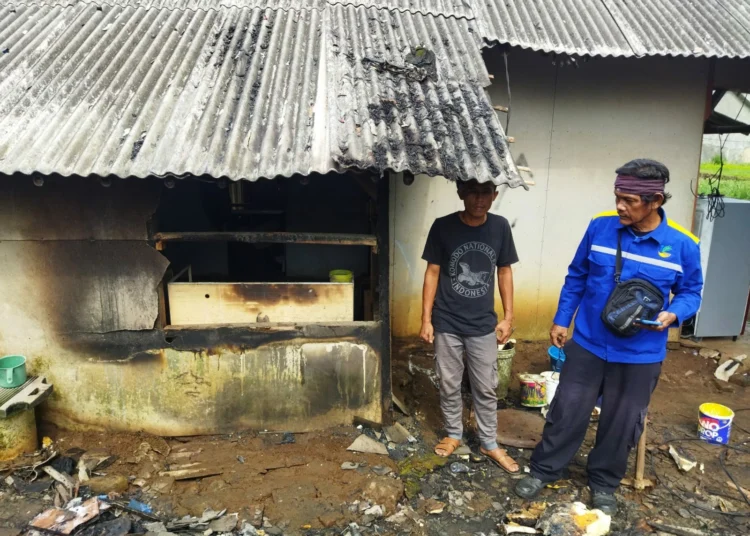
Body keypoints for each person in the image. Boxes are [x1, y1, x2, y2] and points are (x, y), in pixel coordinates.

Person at [514, 159, 703, 514]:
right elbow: (576, 276)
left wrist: (675, 313)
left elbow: (692, 291)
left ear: (656, 201)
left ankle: (603, 482)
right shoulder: (599, 228)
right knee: (567, 409)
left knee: (621, 421)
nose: (620, 206)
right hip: (587, 343)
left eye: (630, 200)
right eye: (618, 196)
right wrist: (560, 320)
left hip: (640, 354)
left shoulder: (683, 245)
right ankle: (544, 469)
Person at [420, 179, 520, 474]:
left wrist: (509, 316)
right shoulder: (443, 226)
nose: (480, 199)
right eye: (473, 192)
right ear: (461, 193)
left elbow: (504, 271)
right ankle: (453, 434)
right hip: (447, 320)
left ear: (495, 195)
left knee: (486, 386)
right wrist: (426, 320)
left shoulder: (500, 227)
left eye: (486, 193)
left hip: (482, 324)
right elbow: (432, 272)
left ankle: (489, 442)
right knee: (449, 382)